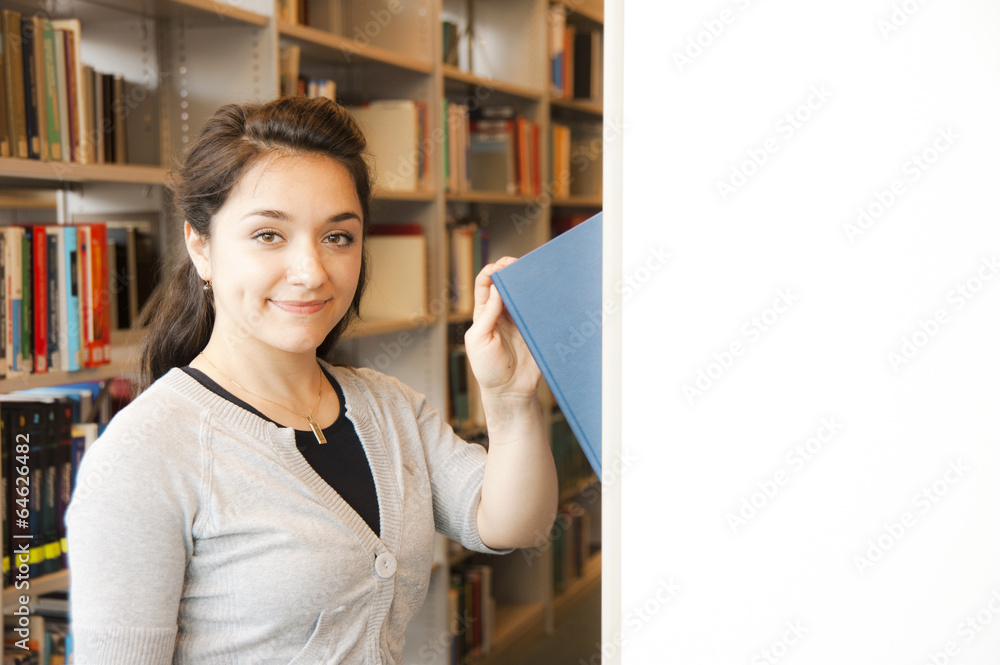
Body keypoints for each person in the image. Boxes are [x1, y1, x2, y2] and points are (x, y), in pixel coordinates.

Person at [65, 96, 558, 664]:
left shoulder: (389, 406)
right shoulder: (145, 454)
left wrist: (510, 399)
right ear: (200, 245)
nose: (312, 272)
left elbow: (513, 523)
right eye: (269, 235)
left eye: (338, 236)